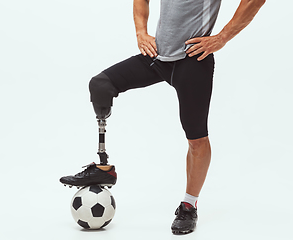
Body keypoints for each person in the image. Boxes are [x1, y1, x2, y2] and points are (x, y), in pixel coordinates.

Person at [60, 0, 265, 234]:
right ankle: (103, 166)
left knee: (196, 138)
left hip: (192, 61)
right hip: (157, 57)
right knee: (101, 85)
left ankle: (189, 205)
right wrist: (141, 32)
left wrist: (222, 37)